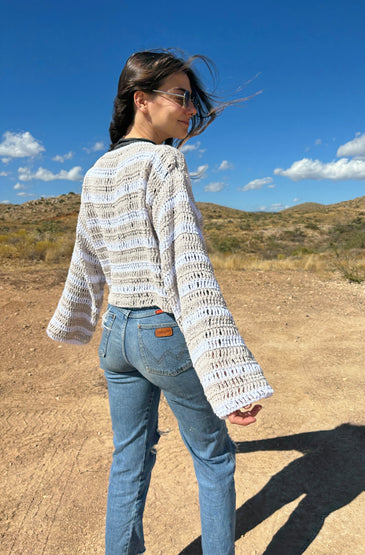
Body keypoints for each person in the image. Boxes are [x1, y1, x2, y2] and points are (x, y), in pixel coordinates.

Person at [47, 50, 273, 555]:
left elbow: (86, 260)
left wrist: (74, 319)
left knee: (129, 457)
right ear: (141, 100)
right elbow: (190, 272)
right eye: (182, 96)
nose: (190, 108)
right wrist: (228, 376)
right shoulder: (165, 162)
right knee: (214, 459)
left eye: (192, 99)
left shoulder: (96, 173)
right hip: (160, 330)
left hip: (116, 337)